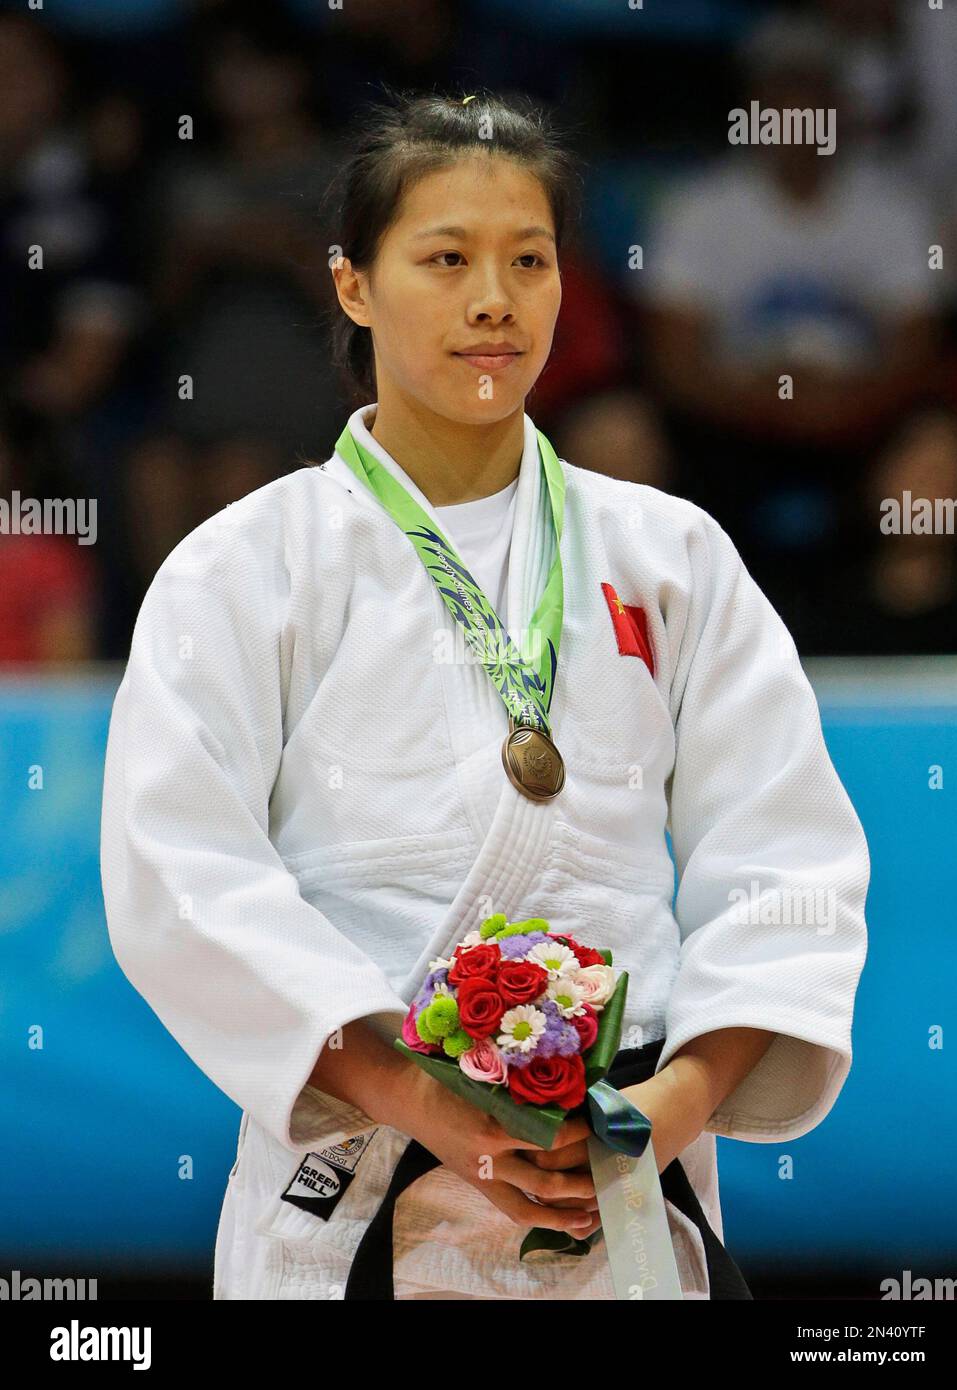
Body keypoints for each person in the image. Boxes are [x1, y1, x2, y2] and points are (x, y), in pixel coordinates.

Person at [100, 90, 870, 1301]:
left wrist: (676, 1102)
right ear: (353, 284)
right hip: (354, 1184)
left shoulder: (667, 554)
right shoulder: (250, 564)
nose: (494, 301)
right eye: (446, 258)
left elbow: (786, 856)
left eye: (529, 260)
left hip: (620, 1182)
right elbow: (180, 868)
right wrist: (418, 1094)